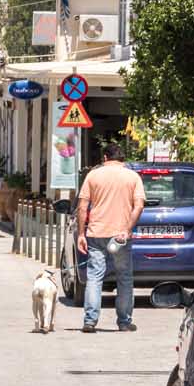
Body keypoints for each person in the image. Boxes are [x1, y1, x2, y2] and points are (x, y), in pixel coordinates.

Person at [76, 142, 145, 332]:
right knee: (124, 277)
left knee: (94, 277)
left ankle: (90, 321)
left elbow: (83, 207)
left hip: (96, 233)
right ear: (122, 158)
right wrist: (128, 229)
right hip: (121, 236)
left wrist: (81, 233)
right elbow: (139, 205)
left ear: (105, 157)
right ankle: (124, 322)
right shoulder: (133, 177)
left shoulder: (93, 175)